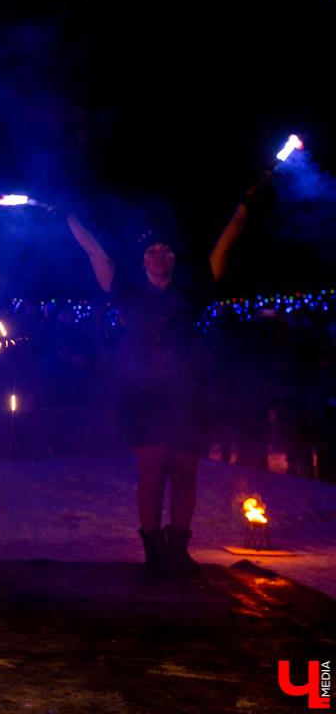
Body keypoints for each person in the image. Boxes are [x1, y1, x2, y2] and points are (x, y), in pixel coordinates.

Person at [67, 185, 257, 576]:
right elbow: (95, 252)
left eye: (166, 250)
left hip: (188, 395)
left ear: (174, 258)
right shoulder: (127, 290)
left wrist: (242, 208)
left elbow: (225, 247)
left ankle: (177, 550)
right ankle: (153, 550)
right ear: (142, 261)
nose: (160, 255)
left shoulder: (193, 288)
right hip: (143, 396)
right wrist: (67, 217)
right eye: (152, 251)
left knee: (185, 473)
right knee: (153, 473)